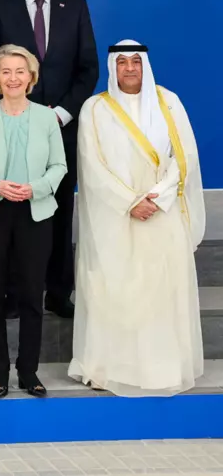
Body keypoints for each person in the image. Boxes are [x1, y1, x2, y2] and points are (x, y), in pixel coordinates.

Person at [0, 0, 98, 319]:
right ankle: (12, 293)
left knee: (57, 210)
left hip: (60, 126)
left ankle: (58, 292)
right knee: (13, 209)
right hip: (9, 126)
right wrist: (14, 110)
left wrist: (58, 113)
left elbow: (88, 68)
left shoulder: (75, 7)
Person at [70, 41, 205, 397]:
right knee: (115, 291)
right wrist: (130, 201)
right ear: (112, 67)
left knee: (162, 291)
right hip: (116, 218)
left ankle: (164, 368)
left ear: (144, 65)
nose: (129, 68)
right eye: (122, 62)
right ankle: (108, 368)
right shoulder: (94, 109)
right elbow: (91, 165)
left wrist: (157, 199)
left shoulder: (169, 102)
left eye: (136, 62)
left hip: (162, 213)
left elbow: (184, 156)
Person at [0, 45, 67, 398]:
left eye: (20, 71)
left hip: (35, 213)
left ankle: (29, 369)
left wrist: (35, 188)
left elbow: (59, 167)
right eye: (4, 71)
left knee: (31, 296)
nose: (13, 78)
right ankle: (0, 370)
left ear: (31, 78)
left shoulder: (45, 118)